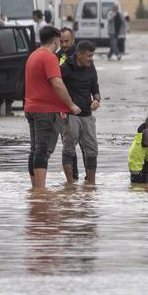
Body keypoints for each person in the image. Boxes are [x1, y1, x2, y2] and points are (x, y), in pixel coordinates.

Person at [24, 26, 82, 189]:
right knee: (43, 151)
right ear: (56, 40)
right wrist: (70, 105)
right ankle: (40, 191)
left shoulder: (33, 55)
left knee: (35, 149)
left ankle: (35, 189)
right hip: (45, 112)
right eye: (59, 41)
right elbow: (57, 83)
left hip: (31, 109)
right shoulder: (49, 57)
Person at [60, 40, 100, 184]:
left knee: (92, 150)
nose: (91, 59)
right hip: (70, 115)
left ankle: (91, 184)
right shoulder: (65, 68)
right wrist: (61, 108)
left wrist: (96, 100)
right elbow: (55, 88)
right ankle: (70, 184)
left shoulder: (91, 66)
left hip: (87, 115)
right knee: (69, 149)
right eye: (89, 56)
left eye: (92, 56)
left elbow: (95, 88)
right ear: (79, 55)